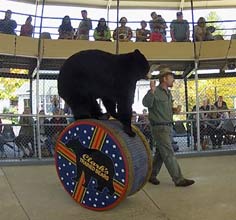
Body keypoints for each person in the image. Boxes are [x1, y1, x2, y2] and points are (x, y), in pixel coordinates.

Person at [142, 68, 195, 187]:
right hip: (159, 128)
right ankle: (179, 179)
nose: (174, 80)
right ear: (165, 78)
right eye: (172, 77)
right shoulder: (155, 91)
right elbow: (146, 103)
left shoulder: (168, 93)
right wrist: (151, 91)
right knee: (169, 153)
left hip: (168, 127)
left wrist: (174, 110)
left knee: (161, 153)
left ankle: (151, 175)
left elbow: (163, 109)